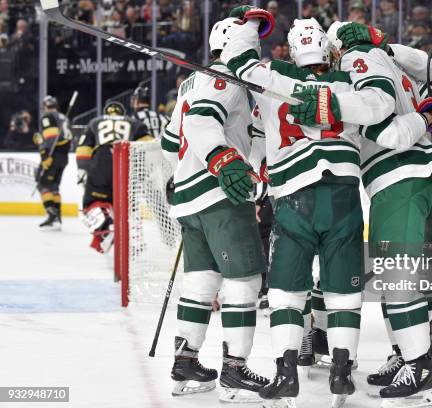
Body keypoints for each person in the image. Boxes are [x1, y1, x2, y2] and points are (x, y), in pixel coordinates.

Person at [289, 21, 432, 407]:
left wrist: (418, 121)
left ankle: (419, 368)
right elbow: (428, 74)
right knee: (393, 274)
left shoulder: (358, 58)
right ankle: (407, 355)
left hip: (399, 176)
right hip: (406, 178)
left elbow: (386, 127)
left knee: (397, 276)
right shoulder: (391, 61)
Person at [221, 14, 365, 408]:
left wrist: (250, 25)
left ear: (292, 48)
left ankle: (287, 376)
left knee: (286, 292)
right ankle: (341, 372)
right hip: (343, 192)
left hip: (293, 195)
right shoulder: (347, 82)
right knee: (342, 292)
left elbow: (237, 59)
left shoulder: (272, 77)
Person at [160, 17, 269, 402]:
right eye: (253, 39)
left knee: (202, 280)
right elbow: (204, 118)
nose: (258, 47)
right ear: (236, 42)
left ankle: (185, 359)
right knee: (244, 280)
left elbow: (170, 141)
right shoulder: (226, 79)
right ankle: (235, 370)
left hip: (189, 198)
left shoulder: (190, 81)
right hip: (220, 192)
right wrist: (224, 159)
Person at [77, 101, 151, 252]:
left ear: (107, 112)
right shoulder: (134, 123)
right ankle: (135, 239)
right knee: (128, 204)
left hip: (101, 163)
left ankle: (106, 226)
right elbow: (149, 146)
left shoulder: (95, 122)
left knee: (93, 202)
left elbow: (83, 148)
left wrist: (82, 170)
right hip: (126, 164)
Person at [35, 96, 72, 230]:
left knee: (42, 184)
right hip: (64, 157)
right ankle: (57, 217)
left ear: (44, 106)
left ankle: (52, 215)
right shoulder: (64, 117)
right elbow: (68, 139)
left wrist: (45, 156)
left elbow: (51, 138)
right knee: (54, 186)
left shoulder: (47, 117)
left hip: (53, 155)